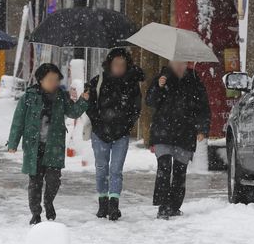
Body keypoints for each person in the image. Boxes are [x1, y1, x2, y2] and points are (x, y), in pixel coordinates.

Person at [7, 63, 90, 225]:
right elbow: (18, 121)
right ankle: (36, 213)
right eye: (50, 80)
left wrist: (83, 101)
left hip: (54, 145)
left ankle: (49, 202)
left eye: (56, 80)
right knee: (35, 182)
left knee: (54, 180)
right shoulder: (29, 97)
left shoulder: (61, 97)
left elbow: (73, 112)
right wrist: (13, 142)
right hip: (34, 146)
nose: (54, 83)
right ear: (40, 80)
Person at [146, 61, 210, 220]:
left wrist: (202, 128)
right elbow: (150, 101)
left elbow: (203, 107)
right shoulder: (162, 78)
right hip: (163, 131)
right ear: (170, 62)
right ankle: (162, 205)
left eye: (182, 62)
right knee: (164, 167)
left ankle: (174, 205)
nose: (179, 66)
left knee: (180, 171)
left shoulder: (194, 80)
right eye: (176, 62)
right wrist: (158, 87)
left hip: (185, 133)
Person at [86, 48, 144, 221]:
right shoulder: (98, 81)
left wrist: (126, 125)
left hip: (121, 134)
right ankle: (102, 202)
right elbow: (90, 105)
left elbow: (136, 108)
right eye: (116, 64)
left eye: (122, 64)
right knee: (101, 168)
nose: (119, 67)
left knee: (116, 170)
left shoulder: (132, 84)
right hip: (100, 133)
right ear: (109, 65)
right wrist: (98, 121)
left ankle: (114, 204)